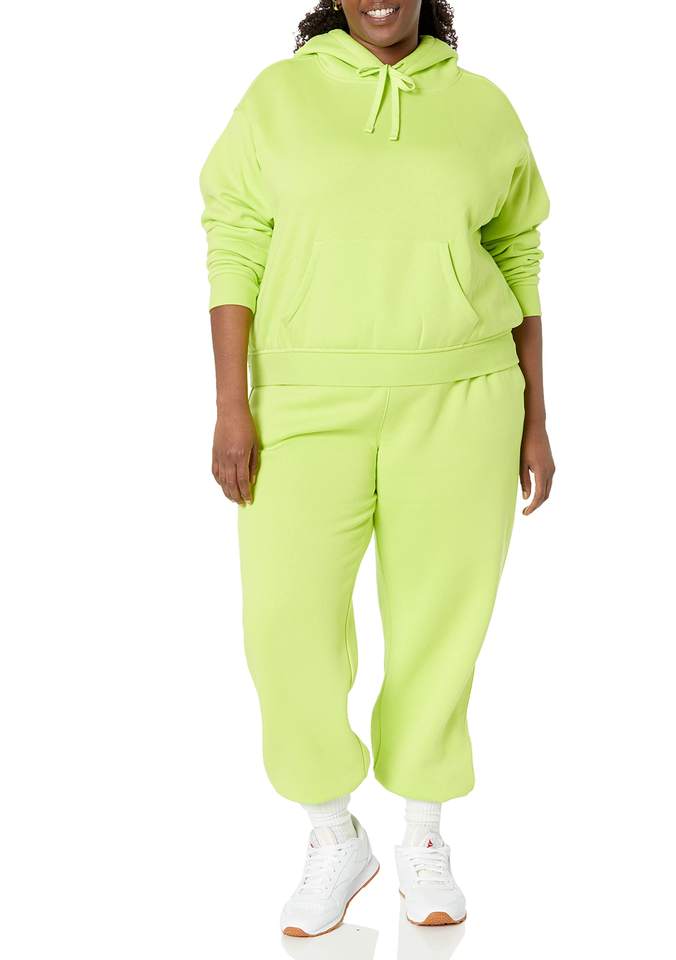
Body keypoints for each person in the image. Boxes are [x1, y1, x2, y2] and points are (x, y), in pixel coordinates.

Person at [199, 0, 554, 939]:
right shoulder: (278, 97)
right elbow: (234, 238)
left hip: (463, 397)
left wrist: (536, 418)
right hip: (304, 401)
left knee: (442, 624)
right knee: (285, 625)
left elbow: (517, 255)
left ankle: (425, 834)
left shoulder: (482, 106)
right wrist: (232, 404)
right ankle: (331, 833)